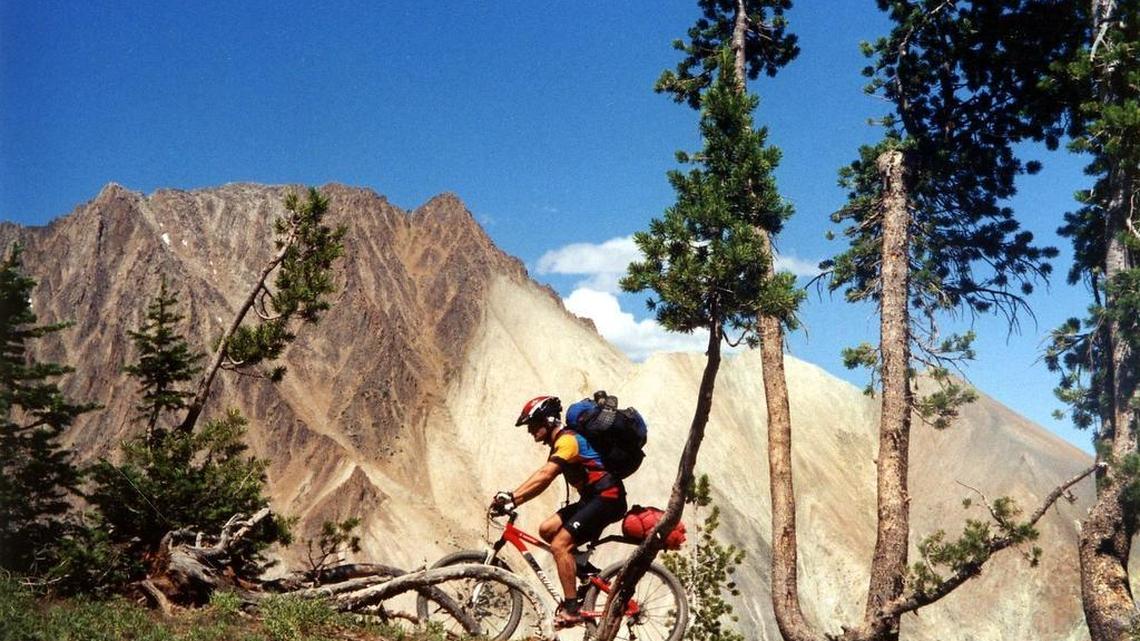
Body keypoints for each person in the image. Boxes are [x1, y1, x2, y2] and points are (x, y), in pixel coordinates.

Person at [490, 395, 628, 629]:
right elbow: (542, 482)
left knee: (559, 545)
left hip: (607, 497)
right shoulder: (561, 443)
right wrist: (515, 500)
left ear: (548, 420)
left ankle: (572, 609)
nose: (530, 431)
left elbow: (545, 476)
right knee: (547, 529)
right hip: (593, 498)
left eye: (533, 424)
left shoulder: (568, 442)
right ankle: (585, 572)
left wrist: (512, 498)